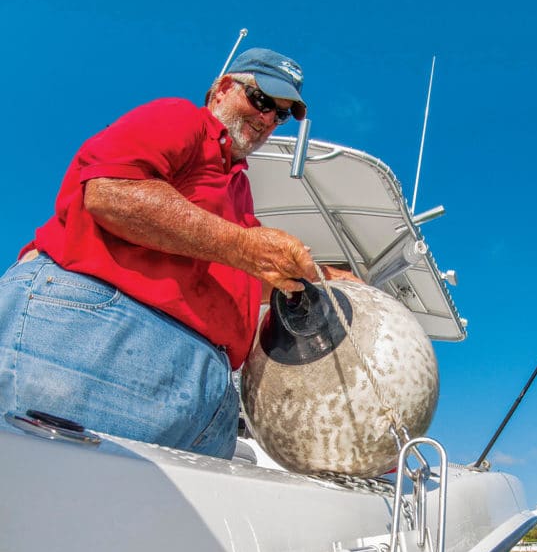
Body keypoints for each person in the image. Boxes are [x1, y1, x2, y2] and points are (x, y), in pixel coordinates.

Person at [0, 47, 340, 458]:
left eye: (281, 114)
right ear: (222, 89)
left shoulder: (239, 189)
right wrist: (246, 246)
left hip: (204, 390)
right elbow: (111, 192)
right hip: (106, 337)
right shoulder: (181, 119)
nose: (268, 119)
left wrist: (327, 278)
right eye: (262, 100)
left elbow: (251, 274)